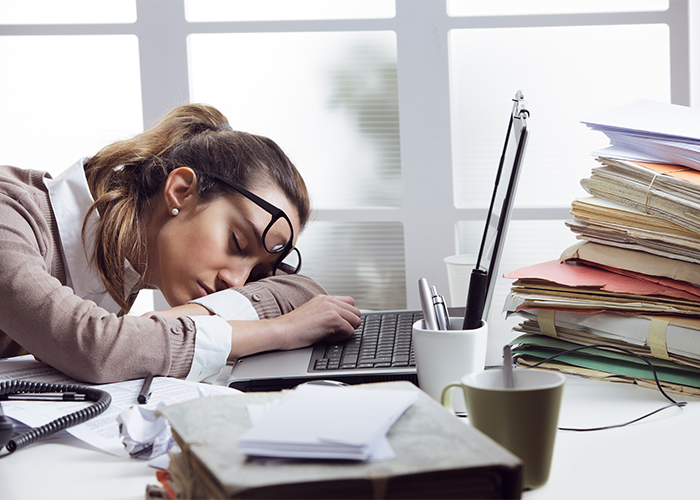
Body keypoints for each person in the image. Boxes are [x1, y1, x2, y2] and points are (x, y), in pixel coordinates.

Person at [0, 104, 361, 384]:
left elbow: (302, 291)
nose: (236, 281)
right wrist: (279, 332)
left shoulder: (122, 262)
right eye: (237, 242)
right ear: (180, 192)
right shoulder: (10, 216)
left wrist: (159, 327)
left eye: (256, 271)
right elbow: (94, 349)